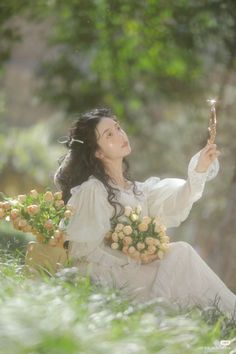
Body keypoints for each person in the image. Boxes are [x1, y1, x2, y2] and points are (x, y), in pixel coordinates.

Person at [54, 108, 236, 319]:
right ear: (98, 152)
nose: (120, 135)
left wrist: (200, 169)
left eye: (118, 128)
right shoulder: (93, 190)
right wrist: (132, 257)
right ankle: (228, 314)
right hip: (109, 276)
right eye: (109, 135)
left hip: (136, 269)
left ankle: (226, 314)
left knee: (179, 254)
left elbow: (179, 197)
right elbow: (83, 250)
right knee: (180, 253)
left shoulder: (138, 190)